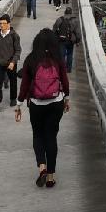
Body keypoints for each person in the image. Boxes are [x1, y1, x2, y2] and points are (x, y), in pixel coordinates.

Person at [15, 29, 70, 189]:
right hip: (56, 102)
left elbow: (25, 84)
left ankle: (42, 167)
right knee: (51, 137)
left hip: (37, 104)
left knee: (38, 135)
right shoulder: (58, 59)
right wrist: (66, 98)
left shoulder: (31, 59)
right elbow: (65, 81)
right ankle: (51, 177)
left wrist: (18, 105)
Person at [0, 14, 21, 112]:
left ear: (8, 24)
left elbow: (18, 50)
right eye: (0, 24)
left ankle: (13, 98)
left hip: (10, 63)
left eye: (3, 23)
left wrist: (13, 62)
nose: (1, 25)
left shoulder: (14, 35)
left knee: (13, 81)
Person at [53, 7, 80, 73]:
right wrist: (78, 41)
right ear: (71, 13)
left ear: (65, 12)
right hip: (71, 40)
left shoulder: (60, 19)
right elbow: (78, 32)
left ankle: (62, 68)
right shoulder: (75, 20)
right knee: (70, 54)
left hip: (62, 39)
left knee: (62, 54)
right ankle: (68, 69)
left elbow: (54, 29)